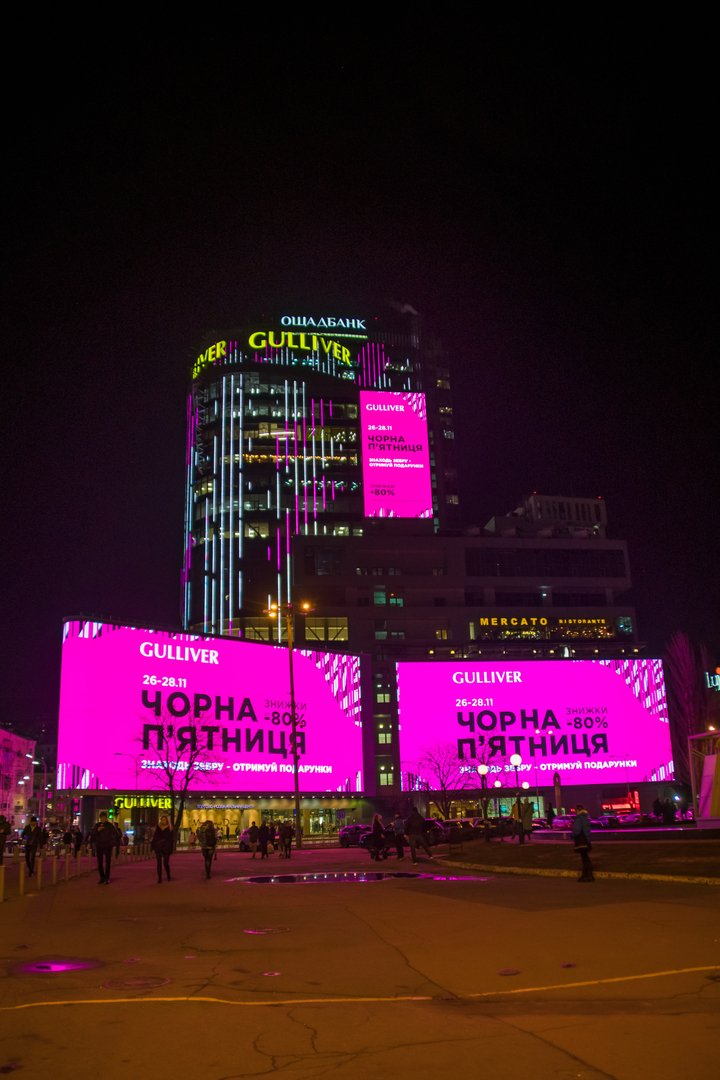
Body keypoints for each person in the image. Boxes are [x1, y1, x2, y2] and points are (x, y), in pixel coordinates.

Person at [88, 811, 120, 885]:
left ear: (106, 818)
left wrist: (110, 839)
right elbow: (92, 834)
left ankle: (107, 877)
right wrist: (97, 830)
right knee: (100, 862)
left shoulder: (109, 825)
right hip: (99, 845)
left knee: (107, 862)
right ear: (100, 818)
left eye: (104, 818)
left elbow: (116, 834)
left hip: (108, 845)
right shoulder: (97, 825)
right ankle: (102, 877)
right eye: (101, 818)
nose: (103, 819)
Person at [571, 804, 594, 882]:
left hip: (581, 840)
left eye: (575, 811)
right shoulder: (585, 817)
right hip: (586, 839)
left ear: (577, 810)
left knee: (584, 858)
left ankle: (586, 875)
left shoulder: (578, 818)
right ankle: (589, 875)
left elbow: (577, 830)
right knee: (586, 857)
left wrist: (572, 835)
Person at [151, 814, 174, 884]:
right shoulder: (158, 827)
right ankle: (159, 878)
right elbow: (155, 837)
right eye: (162, 820)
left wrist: (170, 848)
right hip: (158, 847)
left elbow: (171, 839)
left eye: (165, 820)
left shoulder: (170, 828)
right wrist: (153, 846)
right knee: (159, 863)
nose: (163, 821)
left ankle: (168, 875)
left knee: (165, 863)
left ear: (167, 821)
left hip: (166, 847)